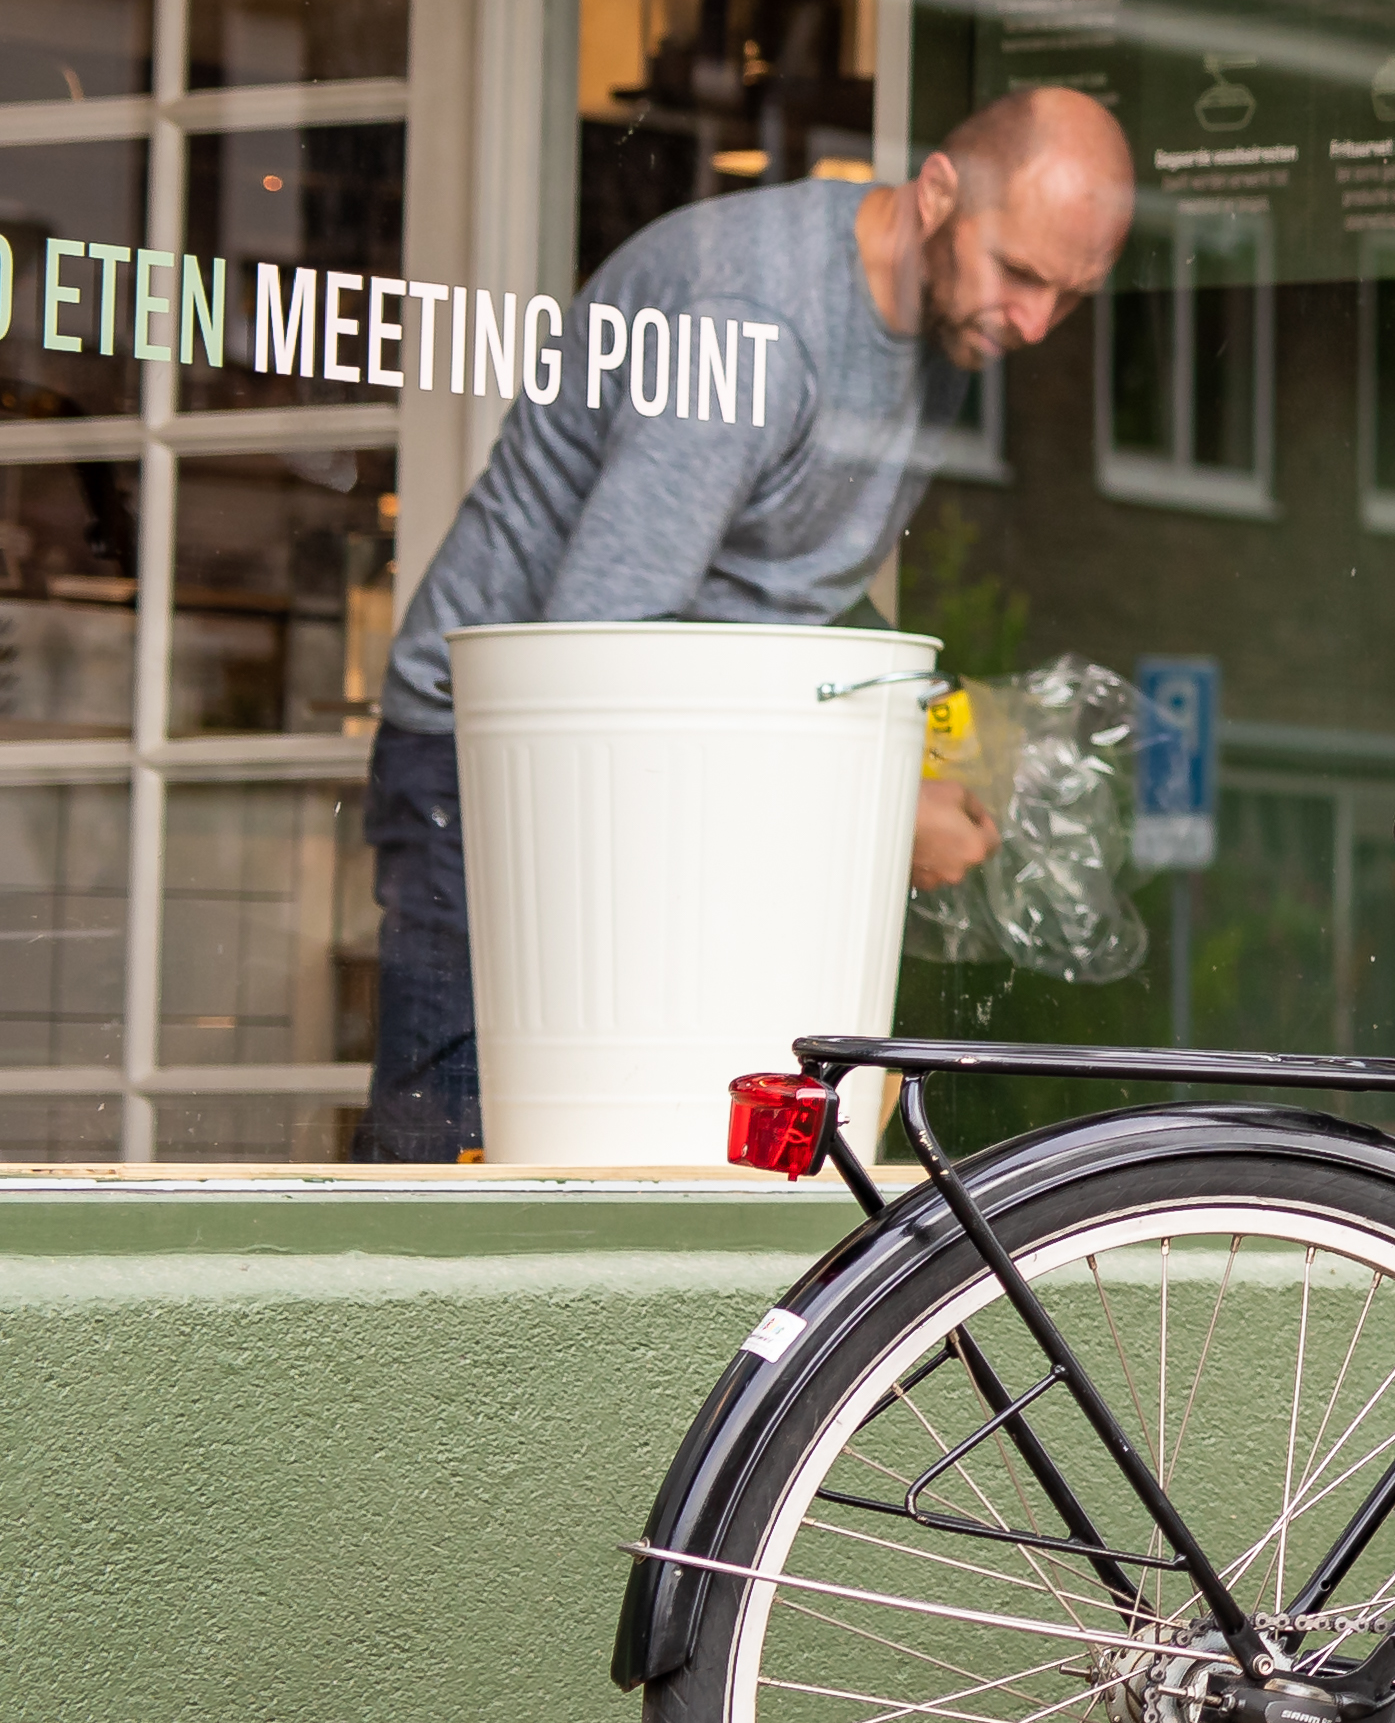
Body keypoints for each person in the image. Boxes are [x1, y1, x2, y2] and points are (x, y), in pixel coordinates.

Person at [361, 86, 1142, 1161]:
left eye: (1073, 293)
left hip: (671, 755)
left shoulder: (946, 323)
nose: (1036, 323)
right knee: (459, 1160)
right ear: (935, 195)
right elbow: (603, 654)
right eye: (1019, 273)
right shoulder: (757, 327)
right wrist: (870, 806)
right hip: (494, 760)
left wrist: (940, 735)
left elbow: (787, 587)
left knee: (666, 1143)